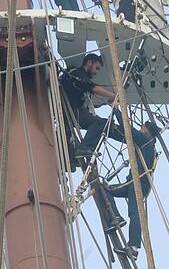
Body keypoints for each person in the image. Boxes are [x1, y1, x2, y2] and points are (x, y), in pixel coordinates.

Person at [108, 120, 160, 260]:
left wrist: (117, 109)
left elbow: (128, 129)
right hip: (133, 183)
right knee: (106, 190)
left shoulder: (145, 141)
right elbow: (128, 134)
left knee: (134, 213)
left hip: (138, 183)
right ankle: (116, 218)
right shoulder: (148, 146)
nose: (140, 129)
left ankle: (134, 246)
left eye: (143, 128)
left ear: (147, 132)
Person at [59, 53, 125, 158]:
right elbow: (94, 88)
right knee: (100, 123)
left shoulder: (81, 76)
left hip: (77, 111)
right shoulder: (75, 73)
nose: (96, 72)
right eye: (96, 68)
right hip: (70, 110)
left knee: (106, 125)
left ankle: (127, 137)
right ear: (89, 63)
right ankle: (84, 148)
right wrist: (116, 95)